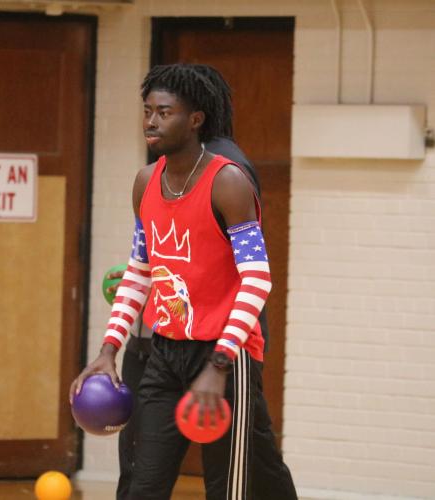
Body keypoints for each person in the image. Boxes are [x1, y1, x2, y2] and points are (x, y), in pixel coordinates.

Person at [71, 64, 297, 500]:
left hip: (226, 358)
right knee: (143, 484)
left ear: (195, 120)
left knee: (226, 489)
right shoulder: (144, 182)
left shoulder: (228, 182)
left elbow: (257, 280)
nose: (151, 121)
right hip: (165, 352)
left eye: (165, 112)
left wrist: (219, 365)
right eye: (148, 111)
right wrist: (108, 350)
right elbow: (140, 271)